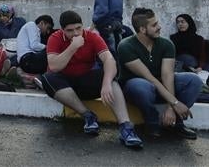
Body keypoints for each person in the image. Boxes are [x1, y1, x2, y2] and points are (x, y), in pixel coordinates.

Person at [41, 10, 143, 148]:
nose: (76, 33)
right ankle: (88, 115)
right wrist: (73, 47)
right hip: (65, 85)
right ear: (63, 30)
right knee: (48, 78)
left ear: (82, 26)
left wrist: (106, 83)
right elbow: (54, 66)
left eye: (78, 28)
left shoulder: (92, 37)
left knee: (110, 75)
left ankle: (126, 127)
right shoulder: (55, 37)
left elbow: (109, 59)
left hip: (85, 81)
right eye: (70, 30)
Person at [118, 8, 200, 140]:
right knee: (141, 85)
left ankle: (176, 124)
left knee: (193, 80)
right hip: (139, 91)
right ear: (142, 29)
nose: (159, 27)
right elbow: (149, 78)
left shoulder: (166, 44)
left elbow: (168, 76)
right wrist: (175, 102)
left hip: (161, 87)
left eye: (157, 23)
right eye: (154, 25)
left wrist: (170, 107)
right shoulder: (126, 46)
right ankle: (152, 122)